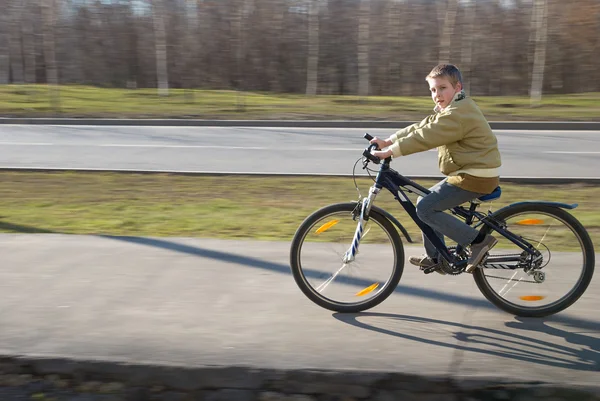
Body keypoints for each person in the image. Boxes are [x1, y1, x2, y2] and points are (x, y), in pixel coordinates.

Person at [369, 64, 501, 273]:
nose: (437, 94)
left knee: (425, 208)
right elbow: (422, 126)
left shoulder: (458, 114)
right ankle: (437, 257)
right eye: (432, 90)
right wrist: (388, 141)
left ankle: (478, 242)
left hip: (475, 176)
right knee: (424, 200)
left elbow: (425, 137)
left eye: (442, 88)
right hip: (469, 173)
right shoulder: (454, 108)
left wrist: (391, 152)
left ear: (458, 87)